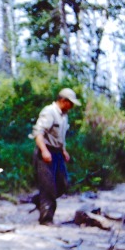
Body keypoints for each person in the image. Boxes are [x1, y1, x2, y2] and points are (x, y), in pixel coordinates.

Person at [31, 88, 81, 225]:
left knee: (63, 184)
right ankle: (46, 218)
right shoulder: (49, 112)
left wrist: (64, 150)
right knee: (48, 186)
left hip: (57, 152)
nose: (71, 107)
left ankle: (38, 200)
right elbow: (38, 133)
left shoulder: (64, 116)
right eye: (70, 103)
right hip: (46, 152)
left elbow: (60, 136)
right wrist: (44, 151)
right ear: (63, 101)